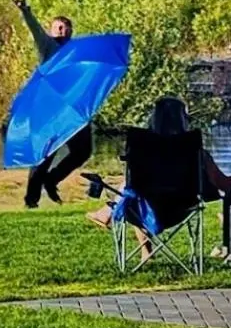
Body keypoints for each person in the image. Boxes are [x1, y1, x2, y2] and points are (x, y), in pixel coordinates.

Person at [86, 96, 231, 263]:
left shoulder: (141, 150)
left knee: (135, 194)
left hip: (144, 209)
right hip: (181, 208)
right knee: (137, 193)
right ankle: (107, 213)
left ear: (153, 118)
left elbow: (133, 184)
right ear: (183, 120)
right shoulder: (195, 151)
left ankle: (145, 251)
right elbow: (222, 184)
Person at [11, 0, 92, 207]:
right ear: (51, 31)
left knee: (83, 151)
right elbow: (35, 30)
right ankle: (31, 200)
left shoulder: (77, 52)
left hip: (73, 109)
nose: (61, 31)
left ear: (71, 31)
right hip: (49, 109)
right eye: (57, 27)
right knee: (44, 154)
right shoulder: (48, 46)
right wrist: (25, 11)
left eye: (64, 28)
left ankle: (52, 179)